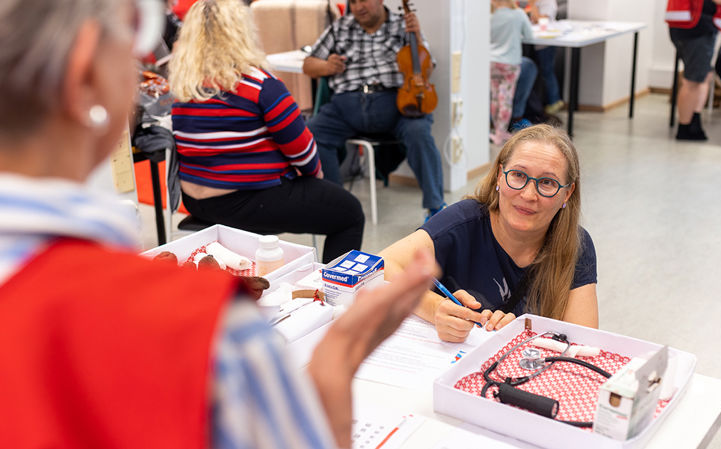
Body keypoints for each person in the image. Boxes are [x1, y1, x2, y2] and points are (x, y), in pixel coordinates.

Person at [0, 1, 438, 448]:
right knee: (345, 209)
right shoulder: (210, 330)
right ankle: (331, 294)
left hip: (200, 204)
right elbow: (307, 157)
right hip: (255, 203)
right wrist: (336, 363)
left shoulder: (184, 85)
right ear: (86, 74)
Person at [169, 0, 364, 264]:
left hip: (196, 200)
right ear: (241, 32)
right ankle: (336, 293)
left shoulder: (184, 85)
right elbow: (303, 151)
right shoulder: (259, 84)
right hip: (250, 201)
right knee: (349, 213)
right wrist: (314, 177)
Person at [380, 125, 597, 343]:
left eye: (547, 183)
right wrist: (435, 307)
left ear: (567, 193)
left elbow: (584, 345)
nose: (529, 194)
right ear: (499, 177)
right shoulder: (462, 222)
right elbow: (380, 264)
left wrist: (522, 336)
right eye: (518, 175)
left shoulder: (576, 244)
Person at [303, 0, 446, 221]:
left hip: (395, 104)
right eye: (353, 1)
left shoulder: (403, 25)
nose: (359, 6)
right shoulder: (340, 27)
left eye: (364, 0)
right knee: (311, 133)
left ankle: (436, 208)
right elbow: (308, 64)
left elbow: (428, 65)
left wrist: (416, 36)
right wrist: (327, 66)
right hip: (346, 105)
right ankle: (335, 205)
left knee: (419, 131)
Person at [666, 0, 721, 141]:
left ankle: (694, 120)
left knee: (703, 76)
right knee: (693, 81)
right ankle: (684, 128)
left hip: (690, 26)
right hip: (696, 28)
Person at [489, 0, 536, 145]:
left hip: (491, 61)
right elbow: (529, 37)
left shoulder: (489, 15)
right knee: (505, 98)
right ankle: (501, 133)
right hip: (510, 63)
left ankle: (496, 129)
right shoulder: (518, 14)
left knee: (495, 97)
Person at [530, 0, 565, 115]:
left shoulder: (548, 2)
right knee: (544, 72)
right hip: (538, 43)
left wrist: (532, 4)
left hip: (545, 44)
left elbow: (539, 20)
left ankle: (554, 101)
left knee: (547, 72)